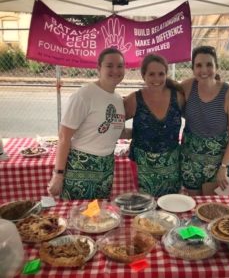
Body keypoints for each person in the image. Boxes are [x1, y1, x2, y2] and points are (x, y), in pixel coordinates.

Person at [48, 48, 126, 200]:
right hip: (81, 167)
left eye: (120, 66)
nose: (115, 70)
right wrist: (58, 175)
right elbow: (64, 137)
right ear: (99, 68)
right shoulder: (84, 95)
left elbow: (115, 131)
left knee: (98, 217)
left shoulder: (117, 99)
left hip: (106, 168)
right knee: (75, 217)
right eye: (109, 65)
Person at [181, 46, 229, 194]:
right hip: (190, 163)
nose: (204, 70)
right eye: (199, 65)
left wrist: (223, 167)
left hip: (219, 164)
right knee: (192, 207)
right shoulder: (187, 87)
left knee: (217, 211)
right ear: (193, 68)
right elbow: (165, 101)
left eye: (209, 64)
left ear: (216, 67)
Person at [124, 54, 185, 197]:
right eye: (151, 74)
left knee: (171, 204)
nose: (156, 79)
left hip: (172, 165)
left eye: (161, 74)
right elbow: (115, 126)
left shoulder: (178, 97)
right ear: (143, 75)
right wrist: (137, 132)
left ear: (166, 74)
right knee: (146, 206)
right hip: (142, 165)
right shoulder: (134, 99)